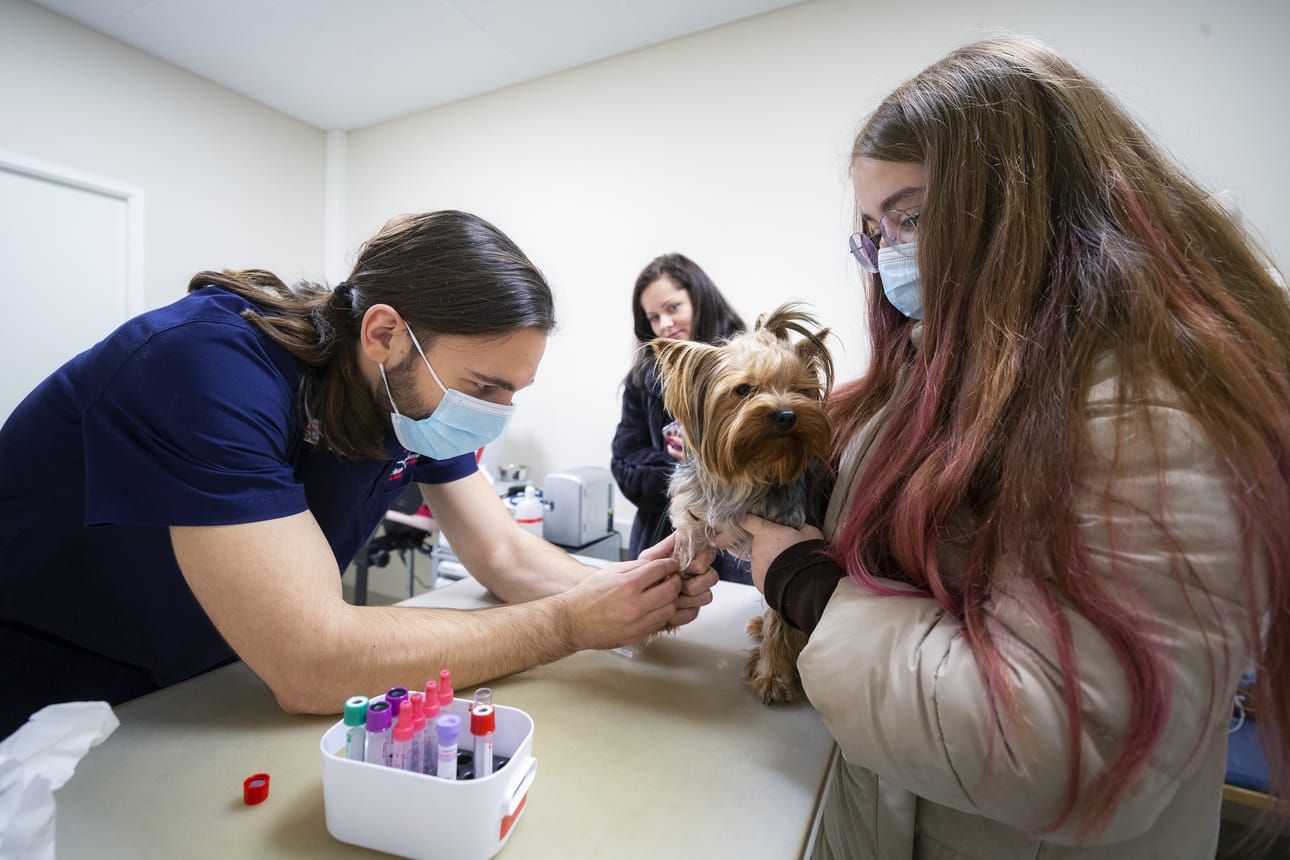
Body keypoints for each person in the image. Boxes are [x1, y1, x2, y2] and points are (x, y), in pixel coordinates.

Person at [737, 37, 1290, 859]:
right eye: (873, 233)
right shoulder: (944, 359)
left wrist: (807, 585)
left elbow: (1058, 752)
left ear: (1023, 201)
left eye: (910, 218)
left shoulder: (1148, 403)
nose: (888, 255)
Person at [0, 210, 717, 738]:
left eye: (512, 392)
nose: (496, 414)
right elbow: (312, 658)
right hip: (49, 683)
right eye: (485, 385)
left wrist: (626, 593)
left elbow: (501, 552)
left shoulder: (408, 401)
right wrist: (566, 623)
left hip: (205, 680)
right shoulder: (206, 368)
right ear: (383, 333)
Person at [610, 253, 753, 584]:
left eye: (672, 308)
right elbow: (624, 466)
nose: (664, 324)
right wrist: (682, 465)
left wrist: (707, 459)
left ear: (699, 299)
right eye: (653, 317)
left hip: (738, 550)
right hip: (663, 545)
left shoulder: (749, 367)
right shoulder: (643, 382)